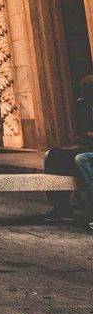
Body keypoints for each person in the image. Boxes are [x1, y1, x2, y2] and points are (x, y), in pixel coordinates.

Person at [43, 76, 93, 224]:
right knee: (52, 155)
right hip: (88, 147)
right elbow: (85, 133)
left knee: (82, 159)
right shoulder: (84, 106)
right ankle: (61, 206)